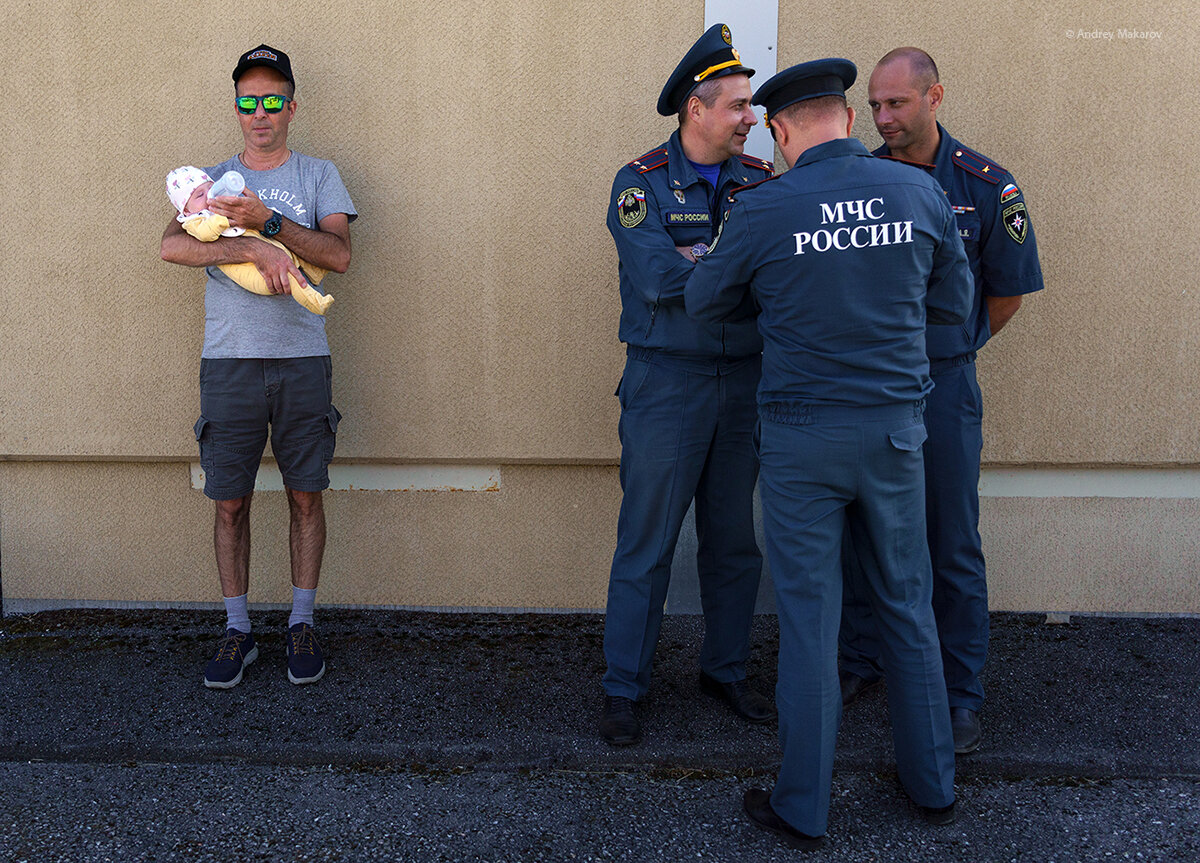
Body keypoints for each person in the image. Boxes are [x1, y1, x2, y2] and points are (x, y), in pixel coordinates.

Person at [686, 58, 973, 846]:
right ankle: (933, 785)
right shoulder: (919, 191)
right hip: (892, 431)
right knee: (908, 605)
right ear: (846, 116)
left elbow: (706, 299)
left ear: (780, 131)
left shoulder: (766, 206)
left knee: (811, 619)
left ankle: (804, 805)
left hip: (802, 437)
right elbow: (954, 304)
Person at [838, 47, 1045, 755]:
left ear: (935, 97)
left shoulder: (987, 186)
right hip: (867, 387)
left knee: (950, 539)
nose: (884, 117)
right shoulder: (859, 181)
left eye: (897, 103)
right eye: (874, 105)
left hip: (944, 385)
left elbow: (1008, 289)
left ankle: (960, 694)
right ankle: (860, 660)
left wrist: (954, 348)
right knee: (864, 530)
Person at [599, 23, 775, 746]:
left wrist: (707, 262)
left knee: (734, 541)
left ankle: (724, 670)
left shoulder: (762, 183)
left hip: (744, 384)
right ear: (696, 109)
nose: (750, 118)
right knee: (647, 541)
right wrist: (730, 271)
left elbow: (773, 278)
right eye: (737, 105)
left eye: (750, 106)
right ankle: (623, 687)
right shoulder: (638, 183)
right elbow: (661, 279)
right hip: (667, 383)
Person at [160, 44, 356, 689]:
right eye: (249, 101)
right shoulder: (209, 180)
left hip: (303, 361)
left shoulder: (318, 175)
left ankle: (301, 621)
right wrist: (244, 244)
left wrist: (271, 223)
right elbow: (170, 245)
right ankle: (237, 629)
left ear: (292, 107)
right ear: (237, 108)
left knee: (305, 495)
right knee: (230, 504)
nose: (261, 112)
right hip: (230, 365)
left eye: (274, 100)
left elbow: (340, 253)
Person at [167, 165, 335, 315]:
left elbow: (339, 259)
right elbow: (202, 235)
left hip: (273, 249)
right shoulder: (194, 220)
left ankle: (315, 271)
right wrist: (226, 222)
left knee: (294, 255)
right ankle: (314, 301)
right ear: (186, 211)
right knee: (291, 277)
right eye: (199, 195)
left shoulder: (318, 172)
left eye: (211, 188)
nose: (209, 196)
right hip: (251, 273)